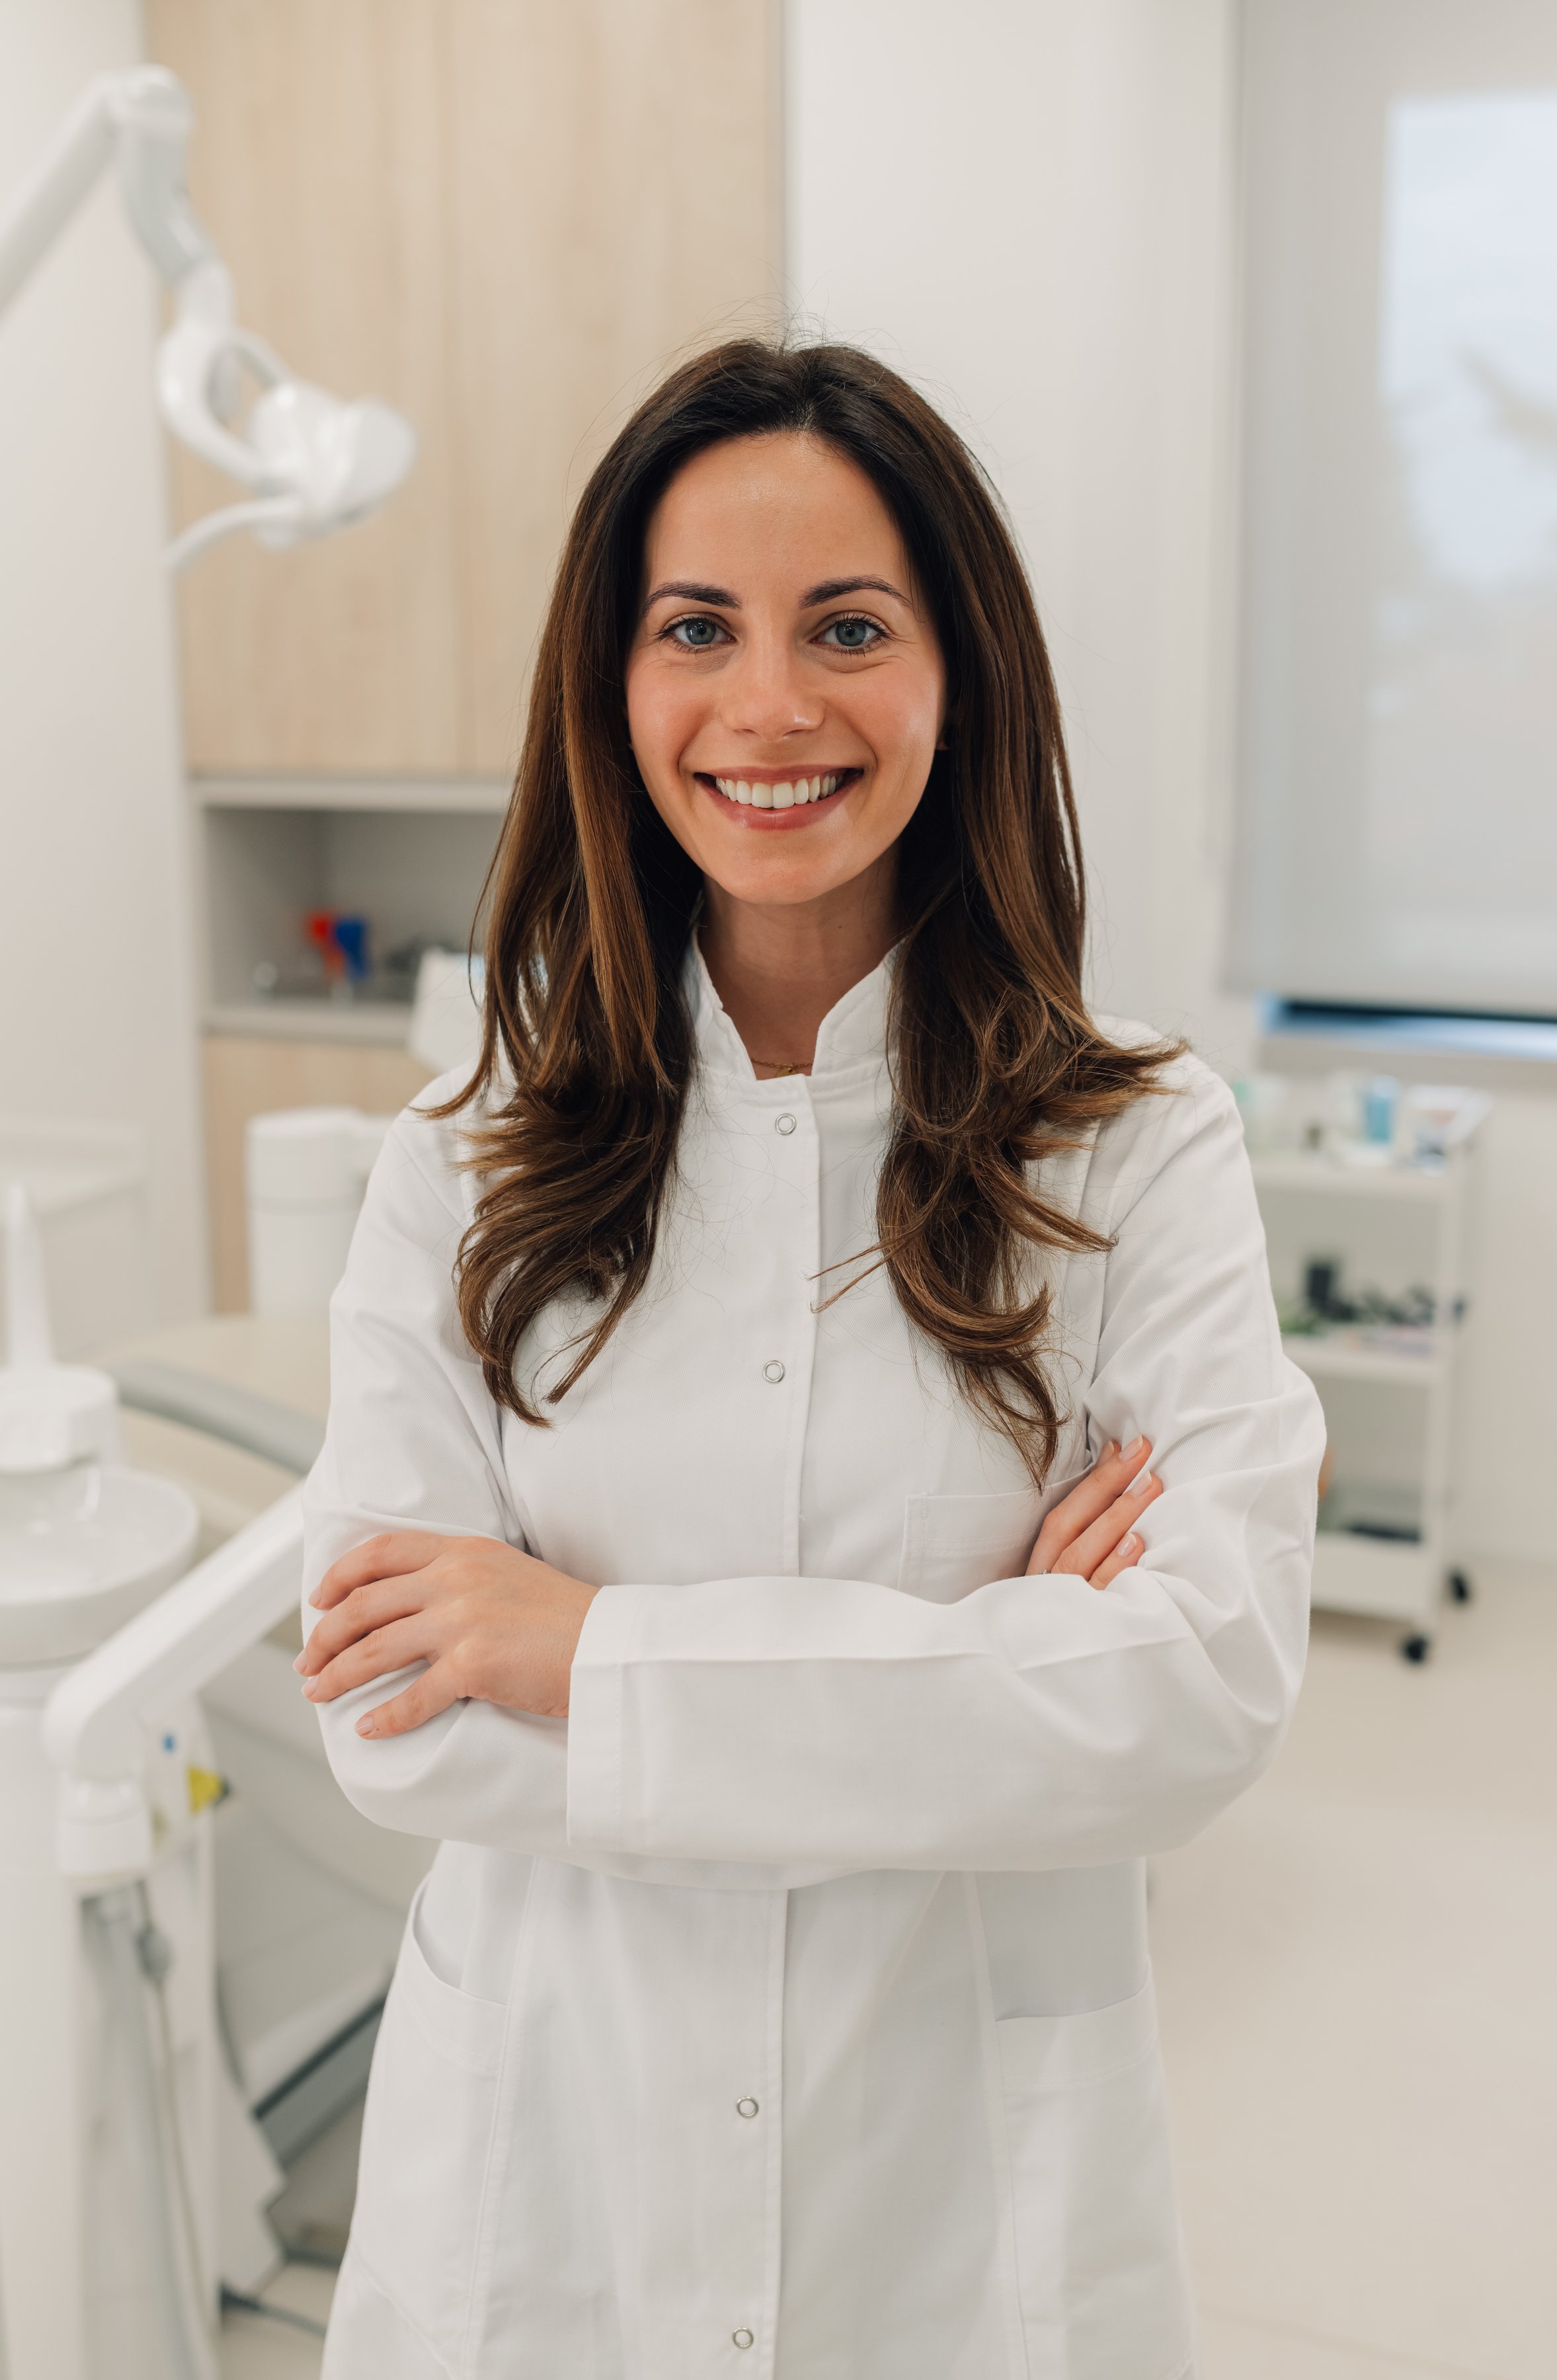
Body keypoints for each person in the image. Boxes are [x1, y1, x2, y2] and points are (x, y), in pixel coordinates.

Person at [296, 339, 1324, 2379]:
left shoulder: (1138, 1149)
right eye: (699, 630)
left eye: (848, 626)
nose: (770, 708)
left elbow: (1202, 1687)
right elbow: (396, 1721)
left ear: (961, 673)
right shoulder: (462, 1165)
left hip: (953, 2197)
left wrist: (584, 1653)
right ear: (614, 682)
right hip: (549, 2183)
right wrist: (992, 1672)